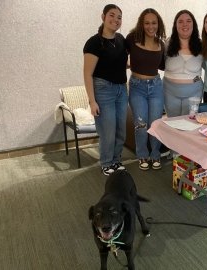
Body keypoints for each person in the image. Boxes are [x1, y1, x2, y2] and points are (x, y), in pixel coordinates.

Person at [83, 4, 128, 176]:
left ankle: (116, 160)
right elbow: (87, 74)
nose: (116, 20)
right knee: (107, 130)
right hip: (103, 90)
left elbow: (121, 64)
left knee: (120, 130)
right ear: (103, 17)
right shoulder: (94, 42)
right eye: (112, 15)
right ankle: (106, 162)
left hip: (121, 89)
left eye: (119, 17)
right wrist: (92, 101)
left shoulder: (121, 40)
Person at [126, 8, 166, 171]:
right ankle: (142, 155)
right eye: (147, 23)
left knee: (155, 124)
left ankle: (155, 154)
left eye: (154, 23)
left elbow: (163, 66)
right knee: (141, 124)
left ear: (159, 24)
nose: (151, 26)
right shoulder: (131, 39)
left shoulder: (161, 44)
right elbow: (119, 55)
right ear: (142, 24)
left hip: (156, 87)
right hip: (137, 88)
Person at [163, 10, 203, 117]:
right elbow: (158, 63)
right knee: (173, 124)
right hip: (170, 92)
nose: (184, 24)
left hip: (194, 93)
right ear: (175, 25)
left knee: (190, 124)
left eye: (188, 21)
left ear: (193, 24)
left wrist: (196, 80)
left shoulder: (201, 45)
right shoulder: (168, 43)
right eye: (180, 21)